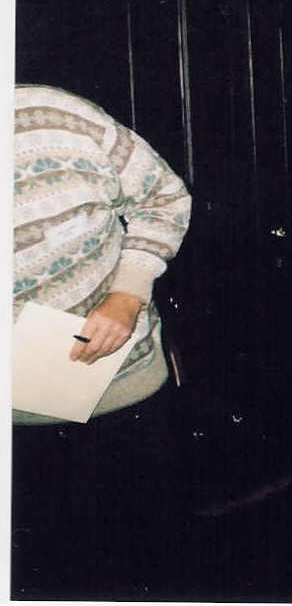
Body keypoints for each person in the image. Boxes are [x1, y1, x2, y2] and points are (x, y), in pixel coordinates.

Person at [11, 84, 193, 598]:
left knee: (144, 567)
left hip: (122, 389)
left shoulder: (56, 116)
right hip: (14, 425)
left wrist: (128, 293)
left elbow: (164, 198)